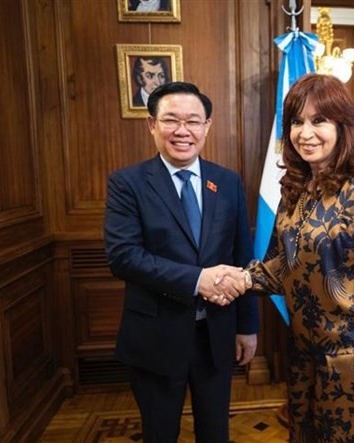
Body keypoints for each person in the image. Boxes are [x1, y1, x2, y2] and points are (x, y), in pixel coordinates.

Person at [222, 73, 354, 442]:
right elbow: (281, 266)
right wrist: (239, 278)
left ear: (342, 125)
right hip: (304, 357)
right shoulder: (294, 192)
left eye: (318, 120)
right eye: (296, 121)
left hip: (352, 363)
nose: (305, 133)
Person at [104, 81, 259, 442]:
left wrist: (247, 326)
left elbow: (243, 257)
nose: (183, 131)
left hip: (216, 335)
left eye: (193, 120)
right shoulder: (127, 183)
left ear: (207, 125)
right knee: (160, 433)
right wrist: (197, 279)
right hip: (156, 337)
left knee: (215, 432)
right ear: (152, 125)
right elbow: (123, 257)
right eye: (171, 120)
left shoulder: (227, 181)